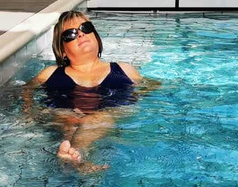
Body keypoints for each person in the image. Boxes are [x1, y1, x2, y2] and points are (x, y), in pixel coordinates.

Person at [26, 11, 147, 168]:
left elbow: (148, 89)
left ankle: (74, 155)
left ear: (96, 37)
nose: (80, 34)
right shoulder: (49, 74)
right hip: (66, 115)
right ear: (62, 51)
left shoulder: (124, 70)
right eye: (70, 34)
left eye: (86, 28)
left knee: (98, 118)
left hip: (109, 115)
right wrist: (29, 112)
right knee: (69, 120)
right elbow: (25, 91)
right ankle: (77, 158)